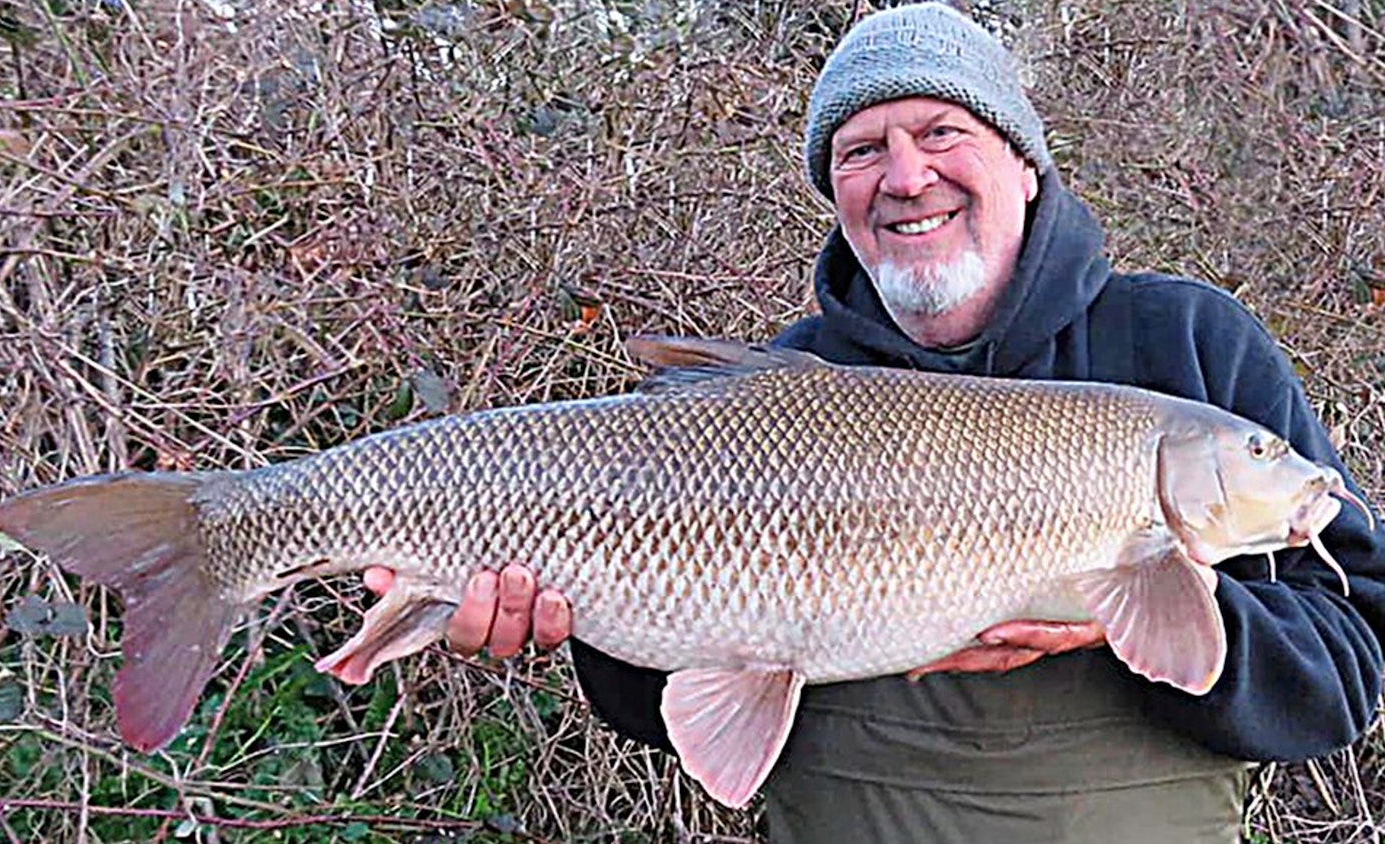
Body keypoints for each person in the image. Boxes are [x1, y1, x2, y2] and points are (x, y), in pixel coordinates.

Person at [366, 3, 1385, 841]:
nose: (907, 176)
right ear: (838, 193)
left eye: (943, 132)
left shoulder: (1188, 344)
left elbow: (1351, 658)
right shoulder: (792, 380)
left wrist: (1133, 621)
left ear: (1024, 164)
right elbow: (663, 704)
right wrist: (574, 615)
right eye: (864, 150)